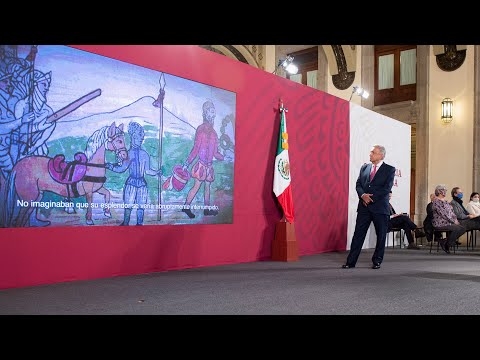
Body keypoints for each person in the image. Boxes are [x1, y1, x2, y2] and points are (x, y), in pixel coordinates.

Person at [342, 145, 396, 269]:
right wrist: (362, 195)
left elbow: (386, 189)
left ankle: (377, 261)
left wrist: (370, 198)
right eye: (371, 152)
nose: (370, 154)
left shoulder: (389, 169)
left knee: (381, 235)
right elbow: (358, 184)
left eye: (373, 152)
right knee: (358, 235)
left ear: (381, 155)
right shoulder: (364, 167)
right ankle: (350, 262)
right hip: (364, 207)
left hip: (380, 208)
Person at [106, 122, 161, 226]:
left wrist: (157, 172)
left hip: (142, 184)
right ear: (132, 137)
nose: (140, 139)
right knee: (128, 206)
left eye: (141, 137)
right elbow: (122, 168)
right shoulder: (129, 153)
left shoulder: (144, 154)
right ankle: (125, 224)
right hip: (131, 183)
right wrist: (111, 167)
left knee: (141, 207)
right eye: (138, 137)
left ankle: (139, 224)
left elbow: (148, 171)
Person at [181, 100, 224, 219]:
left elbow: (215, 153)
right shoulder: (201, 130)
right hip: (201, 165)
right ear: (206, 113)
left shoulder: (215, 134)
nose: (213, 114)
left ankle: (206, 209)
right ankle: (186, 206)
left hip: (209, 166)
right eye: (211, 111)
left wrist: (223, 156)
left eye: (214, 112)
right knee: (197, 186)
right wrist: (187, 163)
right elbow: (195, 149)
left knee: (207, 188)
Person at [432, 185, 466, 254]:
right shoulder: (436, 202)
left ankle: (445, 242)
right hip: (440, 223)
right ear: (440, 192)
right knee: (458, 228)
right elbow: (444, 214)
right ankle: (447, 244)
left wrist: (455, 220)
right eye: (444, 191)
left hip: (448, 222)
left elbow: (452, 212)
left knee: (462, 228)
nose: (445, 192)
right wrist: (453, 221)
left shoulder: (445, 202)